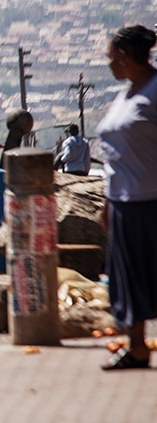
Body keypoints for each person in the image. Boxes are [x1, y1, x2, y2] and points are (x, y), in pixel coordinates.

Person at [94, 25, 157, 370]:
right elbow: (113, 158)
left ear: (124, 56)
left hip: (151, 200)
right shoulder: (126, 94)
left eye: (110, 58)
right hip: (123, 201)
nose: (109, 64)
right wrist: (107, 202)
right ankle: (136, 348)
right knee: (128, 280)